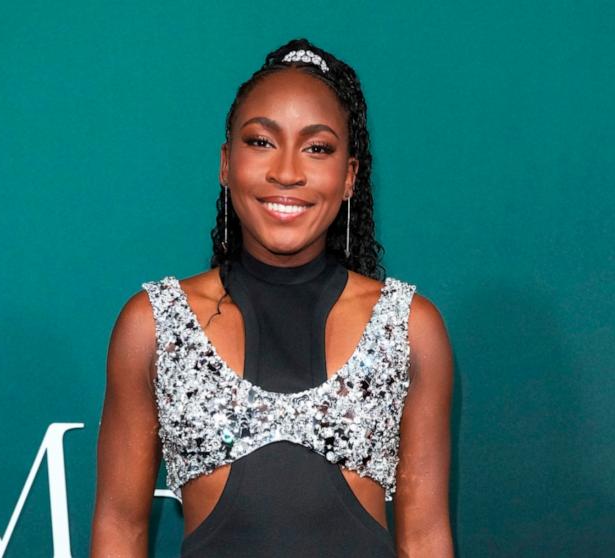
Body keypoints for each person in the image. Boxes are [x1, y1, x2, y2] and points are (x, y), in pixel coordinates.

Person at [91, 38, 454, 557]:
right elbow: (119, 528)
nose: (287, 171)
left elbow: (424, 538)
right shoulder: (153, 324)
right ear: (225, 162)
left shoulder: (409, 326)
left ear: (349, 176)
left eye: (317, 148)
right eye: (261, 142)